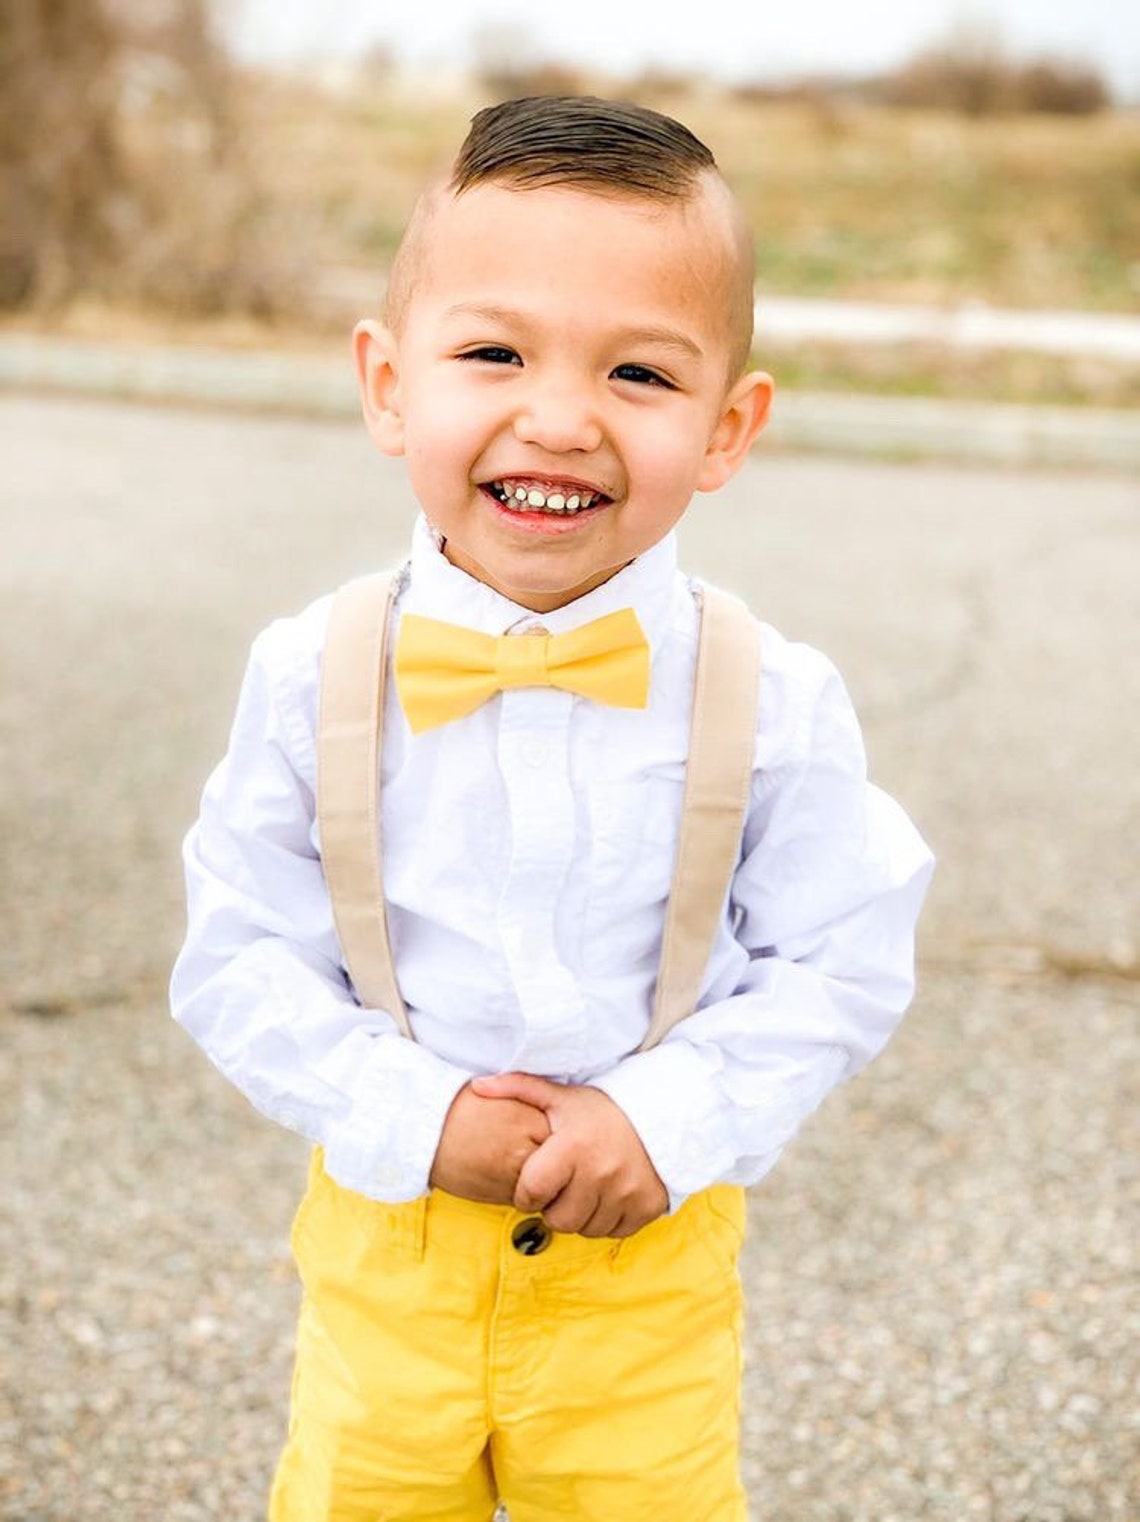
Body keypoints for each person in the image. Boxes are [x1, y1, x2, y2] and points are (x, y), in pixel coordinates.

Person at [171, 94, 934, 1521]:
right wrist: (409, 1114)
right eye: (493, 353)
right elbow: (239, 953)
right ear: (389, 385)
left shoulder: (772, 695)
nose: (562, 417)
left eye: (640, 372)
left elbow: (842, 954)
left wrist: (669, 1116)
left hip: (647, 1273)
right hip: (389, 1255)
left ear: (728, 427)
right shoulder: (310, 674)